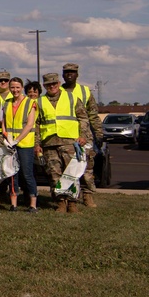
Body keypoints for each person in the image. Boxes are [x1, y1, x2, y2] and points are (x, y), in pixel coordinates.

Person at [37, 72, 92, 213]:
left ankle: (72, 202)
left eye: (54, 83)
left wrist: (83, 135)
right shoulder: (39, 102)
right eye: (49, 85)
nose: (52, 86)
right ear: (44, 86)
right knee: (54, 174)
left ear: (59, 84)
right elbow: (36, 125)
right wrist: (37, 144)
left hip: (70, 142)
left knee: (71, 173)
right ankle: (61, 202)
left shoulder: (72, 98)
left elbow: (83, 118)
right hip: (49, 143)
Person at [61, 63, 103, 207]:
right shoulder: (57, 91)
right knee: (68, 168)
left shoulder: (85, 91)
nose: (69, 74)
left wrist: (98, 133)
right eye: (66, 72)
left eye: (72, 72)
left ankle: (87, 195)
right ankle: (69, 196)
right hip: (66, 136)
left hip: (85, 135)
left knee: (87, 167)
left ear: (77, 75)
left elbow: (93, 115)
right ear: (63, 75)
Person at [2, 77, 39, 213]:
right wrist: (6, 135)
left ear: (22, 88)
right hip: (10, 143)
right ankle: (13, 203)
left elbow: (29, 125)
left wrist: (17, 139)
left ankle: (33, 203)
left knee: (27, 173)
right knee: (12, 174)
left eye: (17, 87)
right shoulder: (7, 103)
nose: (15, 90)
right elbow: (4, 122)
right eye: (12, 87)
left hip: (25, 143)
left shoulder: (30, 103)